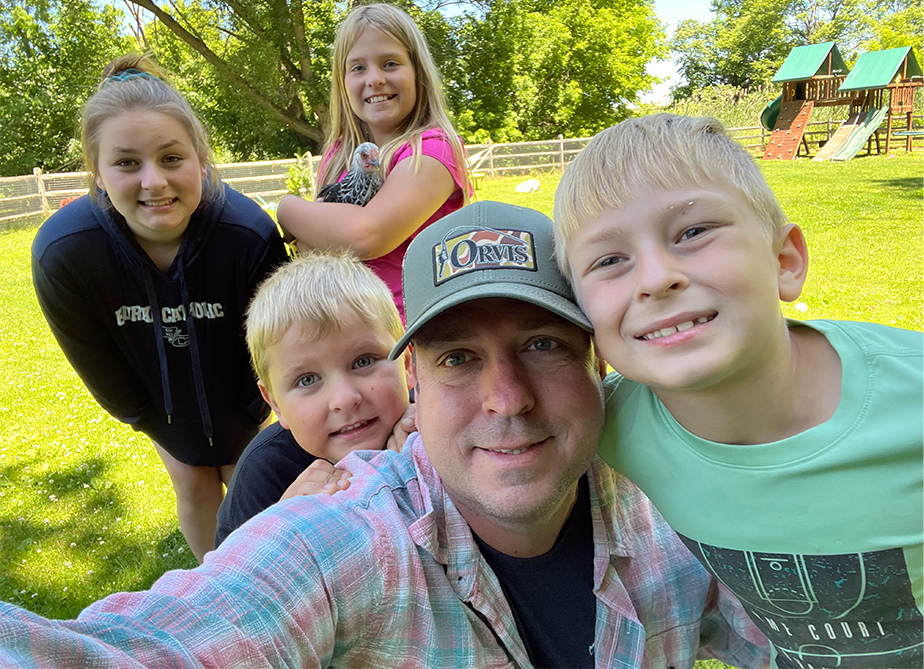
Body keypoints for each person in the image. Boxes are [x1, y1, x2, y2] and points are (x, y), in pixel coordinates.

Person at [0, 201, 769, 669]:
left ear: (598, 362)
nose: (507, 398)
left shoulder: (669, 506)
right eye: (459, 358)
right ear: (419, 382)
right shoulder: (351, 535)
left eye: (543, 344)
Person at [553, 114, 924, 669]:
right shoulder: (610, 425)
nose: (655, 278)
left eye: (693, 232)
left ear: (784, 261)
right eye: (609, 261)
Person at [30, 53, 289, 564]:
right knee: (192, 483)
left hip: (244, 393)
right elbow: (98, 361)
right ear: (98, 173)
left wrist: (253, 411)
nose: (154, 182)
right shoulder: (66, 251)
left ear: (201, 159)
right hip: (158, 402)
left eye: (172, 159)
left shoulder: (247, 235)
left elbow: (275, 341)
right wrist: (150, 420)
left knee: (250, 483)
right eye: (126, 163)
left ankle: (267, 588)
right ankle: (216, 589)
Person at [276, 3, 471, 320]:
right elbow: (314, 250)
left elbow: (367, 236)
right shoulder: (339, 154)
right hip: (342, 323)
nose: (375, 78)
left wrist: (286, 208)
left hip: (410, 336)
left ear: (417, 72)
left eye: (390, 63)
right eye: (358, 68)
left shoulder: (433, 151)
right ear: (342, 83)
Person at [215, 252, 411, 546]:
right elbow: (232, 583)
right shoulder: (266, 474)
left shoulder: (436, 425)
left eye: (364, 361)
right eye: (307, 380)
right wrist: (282, 529)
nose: (344, 399)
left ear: (408, 364)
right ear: (275, 404)